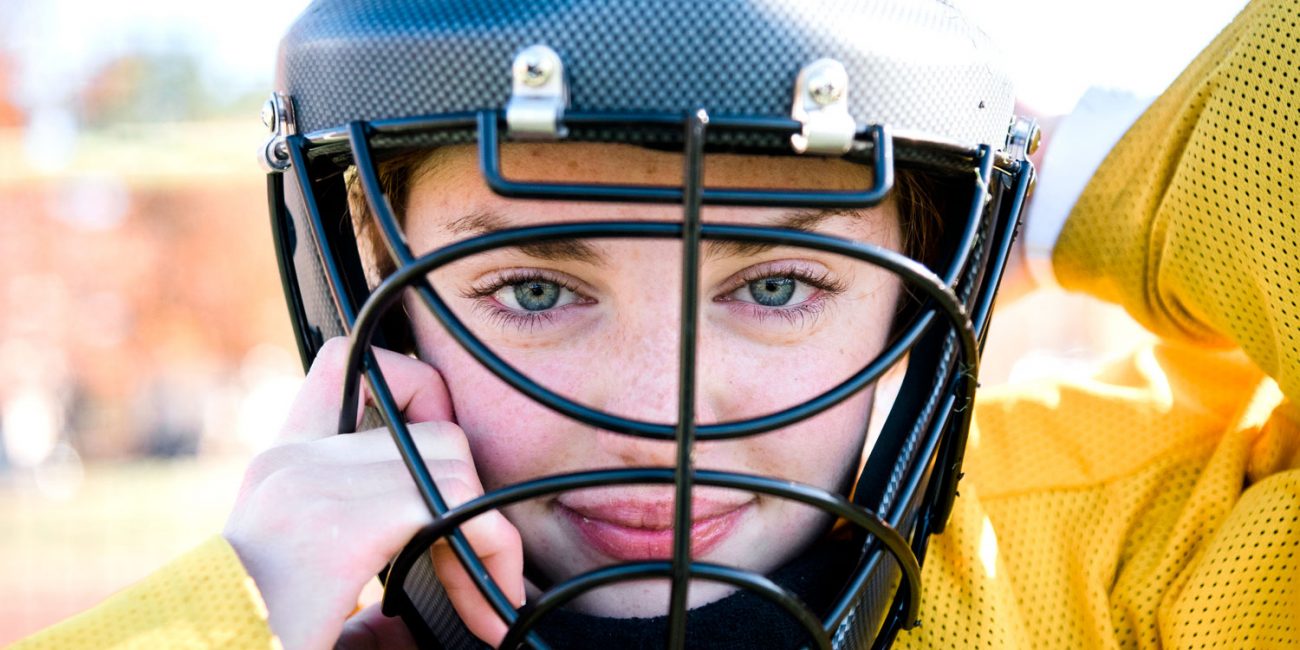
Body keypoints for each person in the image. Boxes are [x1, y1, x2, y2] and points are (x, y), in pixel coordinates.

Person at [14, 0, 1297, 648]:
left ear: (931, 272)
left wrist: (1098, 174)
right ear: (375, 285)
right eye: (534, 289)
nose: (658, 411)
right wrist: (237, 612)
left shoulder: (1113, 569)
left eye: (781, 283)